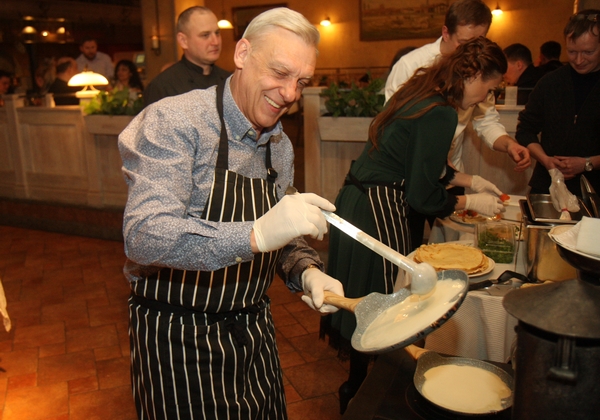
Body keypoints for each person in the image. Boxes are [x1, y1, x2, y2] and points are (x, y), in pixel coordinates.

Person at [118, 7, 344, 419]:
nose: (291, 93)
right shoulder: (175, 121)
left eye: (302, 82)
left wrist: (305, 269)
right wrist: (254, 234)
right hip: (177, 339)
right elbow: (144, 235)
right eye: (279, 72)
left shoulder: (279, 146)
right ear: (242, 54)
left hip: (252, 332)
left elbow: (282, 231)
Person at [322, 36, 508, 415]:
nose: (485, 99)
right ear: (472, 75)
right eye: (488, 89)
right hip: (379, 205)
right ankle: (367, 393)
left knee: (366, 295)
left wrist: (468, 180)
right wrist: (469, 200)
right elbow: (422, 196)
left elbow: (415, 159)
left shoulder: (420, 89)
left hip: (356, 198)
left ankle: (355, 387)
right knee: (387, 303)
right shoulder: (441, 112)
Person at [384, 0, 530, 248]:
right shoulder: (410, 66)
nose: (469, 53)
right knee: (408, 247)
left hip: (452, 177)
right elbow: (394, 128)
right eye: (463, 44)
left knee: (452, 247)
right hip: (411, 178)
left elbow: (486, 120)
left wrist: (508, 144)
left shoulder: (479, 73)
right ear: (445, 33)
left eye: (477, 43)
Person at [516, 10, 600, 196]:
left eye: (588, 52)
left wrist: (587, 163)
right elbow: (525, 130)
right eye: (572, 52)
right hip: (547, 187)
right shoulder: (550, 82)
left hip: (595, 191)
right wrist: (545, 160)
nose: (579, 60)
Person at [143, 6, 231, 107]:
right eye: (205, 35)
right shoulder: (163, 86)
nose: (215, 42)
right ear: (183, 41)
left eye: (217, 33)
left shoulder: (230, 81)